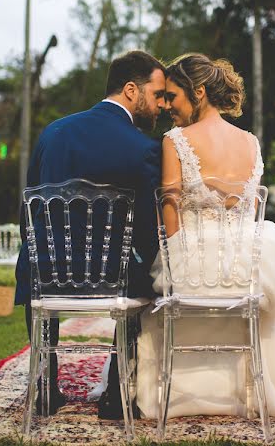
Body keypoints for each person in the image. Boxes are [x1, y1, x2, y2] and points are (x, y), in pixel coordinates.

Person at [134, 53, 275, 419]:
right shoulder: (250, 142)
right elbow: (244, 211)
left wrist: (175, 261)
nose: (167, 107)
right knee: (274, 293)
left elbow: (170, 205)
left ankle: (184, 389)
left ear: (198, 93)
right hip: (247, 264)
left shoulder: (175, 140)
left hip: (194, 264)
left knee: (156, 297)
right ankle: (259, 381)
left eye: (174, 97)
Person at [14, 50, 166, 418]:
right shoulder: (145, 148)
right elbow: (147, 229)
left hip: (46, 271)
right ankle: (115, 393)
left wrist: (39, 255)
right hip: (112, 278)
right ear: (132, 90)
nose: (161, 105)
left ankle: (46, 388)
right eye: (157, 94)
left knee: (35, 261)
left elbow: (31, 210)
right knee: (148, 273)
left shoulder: (54, 132)